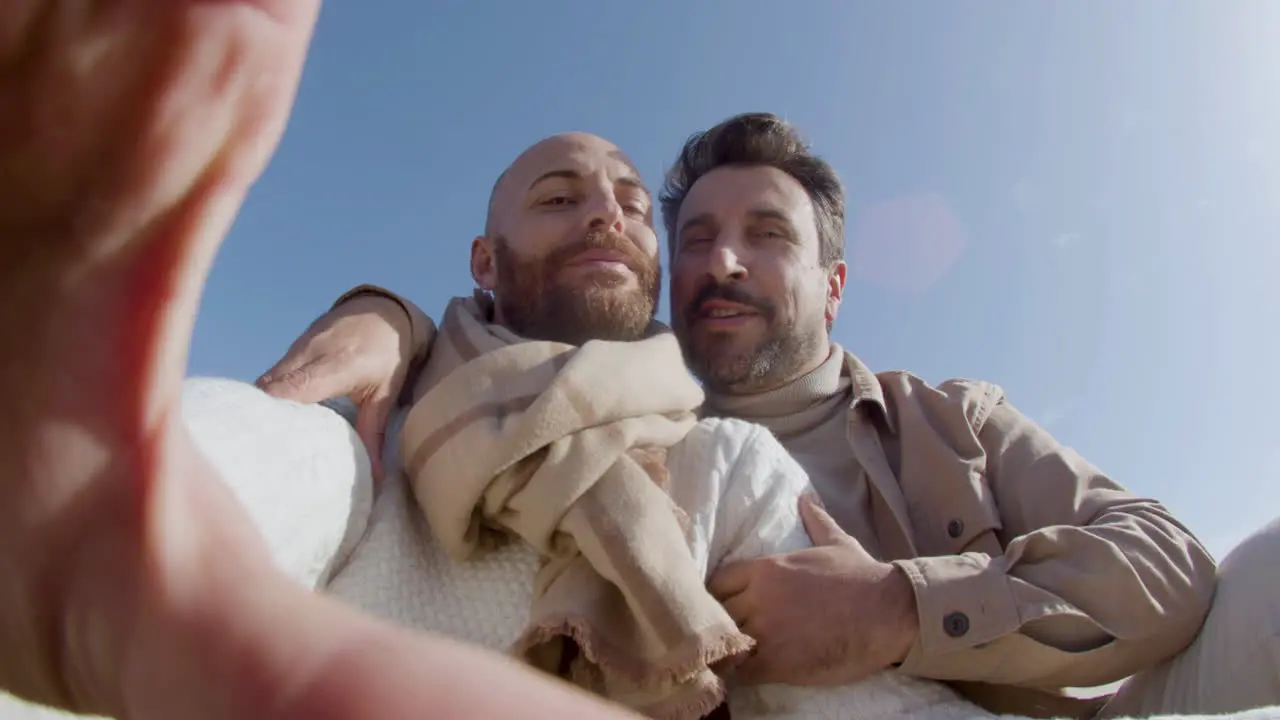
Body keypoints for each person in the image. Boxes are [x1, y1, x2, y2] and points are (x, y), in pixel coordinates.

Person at [269, 113, 1278, 718]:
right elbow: (486, 351)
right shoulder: (620, 417)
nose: (724, 262)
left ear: (832, 284)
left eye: (765, 235)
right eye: (697, 236)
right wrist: (381, 315)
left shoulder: (952, 420)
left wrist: (895, 611)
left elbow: (1163, 569)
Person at [0, 3, 630, 719]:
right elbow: (274, 464)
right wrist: (101, 560)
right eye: (559, 196)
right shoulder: (382, 415)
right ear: (484, 260)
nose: (610, 212)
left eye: (634, 203)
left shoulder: (731, 461)